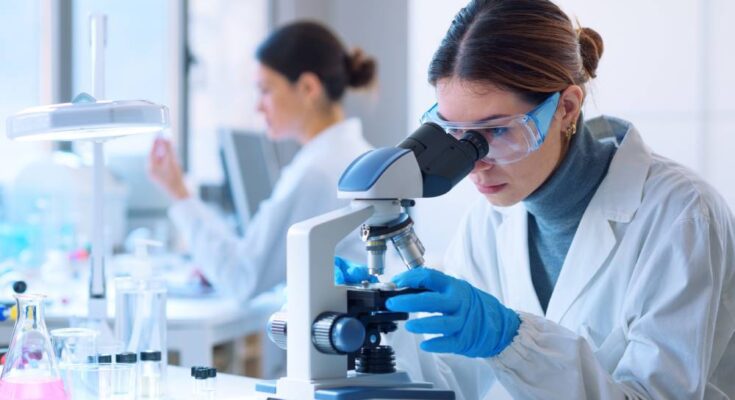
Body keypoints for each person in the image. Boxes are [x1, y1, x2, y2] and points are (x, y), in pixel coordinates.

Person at [338, 0, 735, 398]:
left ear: (566, 108)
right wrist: (387, 325)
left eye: (494, 132)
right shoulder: (487, 224)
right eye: (454, 133)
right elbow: (456, 383)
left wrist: (512, 341)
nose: (474, 164)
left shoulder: (681, 216)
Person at [149, 21, 376, 303]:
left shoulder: (318, 171)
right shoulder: (351, 154)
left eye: (266, 90)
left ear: (307, 88)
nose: (258, 106)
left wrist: (179, 193)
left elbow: (241, 278)